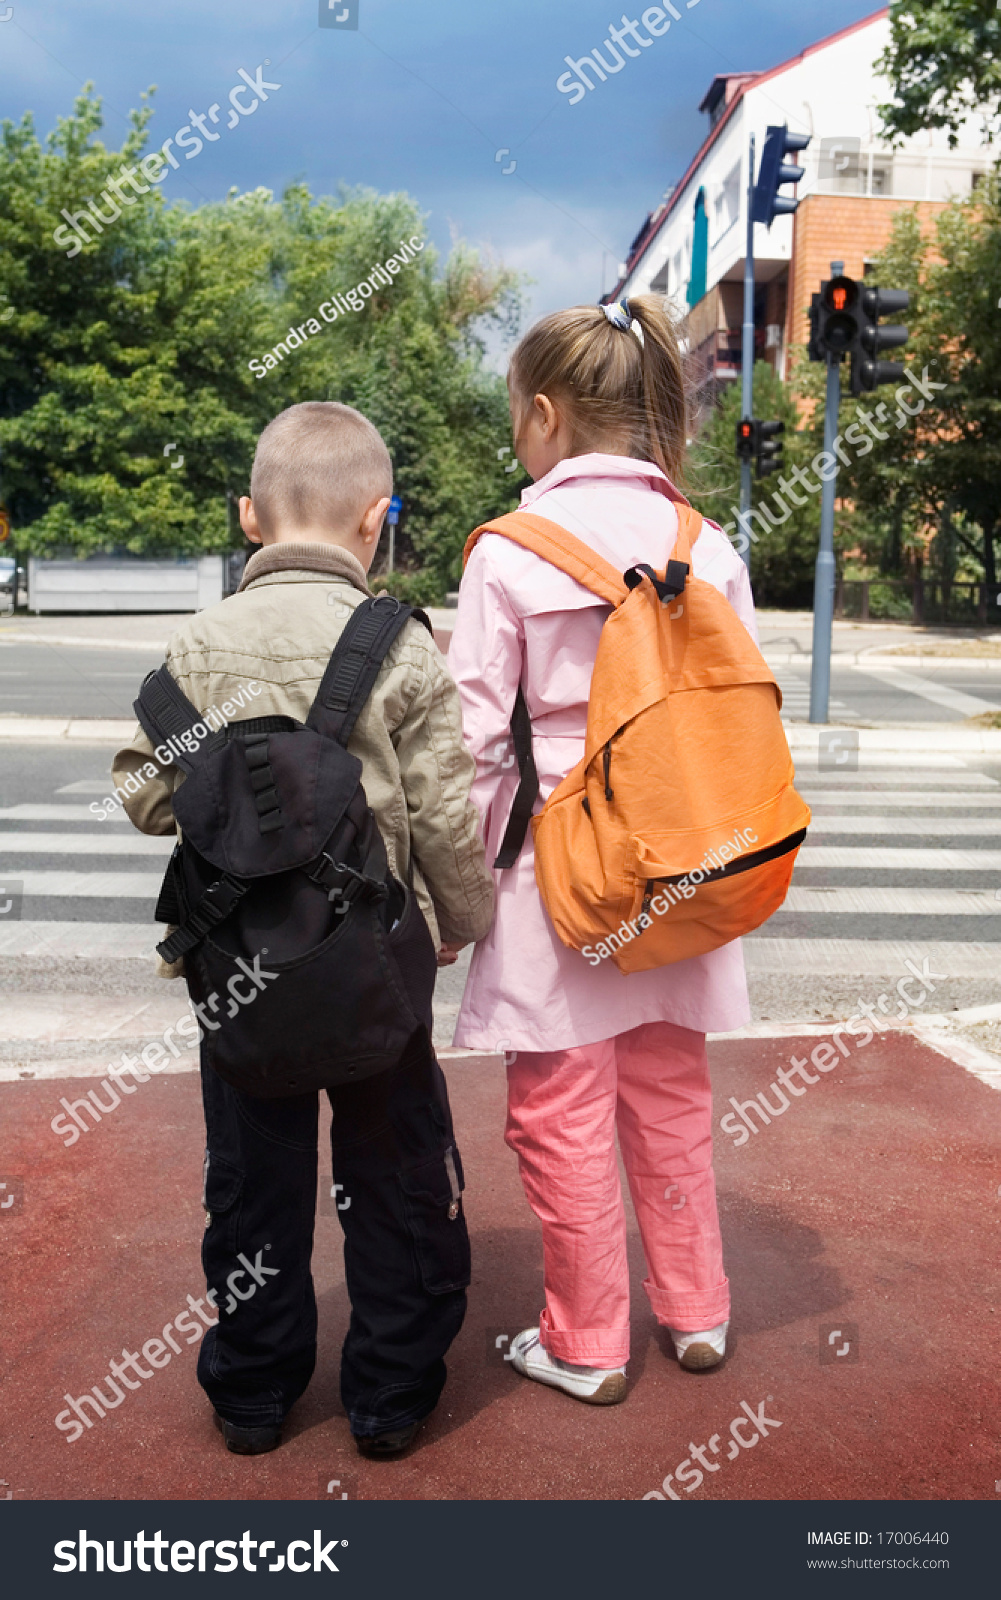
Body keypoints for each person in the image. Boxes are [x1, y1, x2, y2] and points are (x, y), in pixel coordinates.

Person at [113, 402, 494, 1457]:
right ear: (377, 519)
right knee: (399, 1175)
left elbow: (146, 794)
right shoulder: (400, 643)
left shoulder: (199, 643)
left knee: (251, 1184)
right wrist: (460, 921)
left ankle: (251, 1392)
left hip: (239, 977)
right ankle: (388, 1394)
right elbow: (445, 812)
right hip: (374, 968)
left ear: (248, 516)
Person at [447, 297, 756, 1404]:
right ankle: (698, 1309)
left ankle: (585, 1340)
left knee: (559, 1106)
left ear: (542, 415)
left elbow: (478, 746)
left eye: (513, 422)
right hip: (683, 856)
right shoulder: (703, 543)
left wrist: (466, 892)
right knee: (670, 1094)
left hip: (561, 870)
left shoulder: (506, 553)